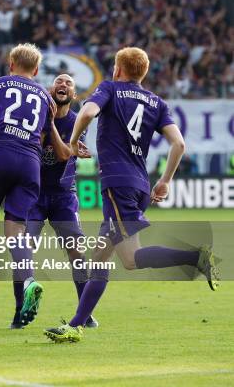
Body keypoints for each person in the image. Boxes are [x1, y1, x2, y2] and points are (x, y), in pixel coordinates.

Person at [44, 47, 219, 343]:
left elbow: (87, 111)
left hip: (118, 185)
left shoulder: (110, 88)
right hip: (139, 185)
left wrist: (72, 142)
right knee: (101, 259)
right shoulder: (157, 102)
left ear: (117, 69)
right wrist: (164, 181)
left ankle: (196, 257)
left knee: (130, 259)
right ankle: (77, 324)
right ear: (144, 72)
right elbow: (179, 145)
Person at [0, 43, 63, 325]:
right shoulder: (45, 97)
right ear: (36, 69)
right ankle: (30, 281)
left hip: (1, 154)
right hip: (31, 163)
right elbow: (44, 139)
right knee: (15, 231)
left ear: (11, 64)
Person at [18, 74, 95, 329]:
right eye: (58, 82)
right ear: (50, 90)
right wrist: (47, 120)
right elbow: (36, 150)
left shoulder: (76, 123)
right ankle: (20, 311)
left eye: (68, 83)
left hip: (63, 196)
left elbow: (62, 155)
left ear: (73, 96)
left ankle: (85, 313)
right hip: (34, 195)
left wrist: (51, 123)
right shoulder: (35, 119)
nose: (63, 85)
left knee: (77, 252)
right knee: (22, 249)